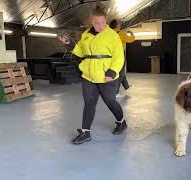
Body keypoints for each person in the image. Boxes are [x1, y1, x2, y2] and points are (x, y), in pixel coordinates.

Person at [58, 4, 127, 145]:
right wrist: (69, 44)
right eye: (96, 23)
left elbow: (119, 57)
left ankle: (121, 122)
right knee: (89, 103)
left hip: (106, 76)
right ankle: (85, 132)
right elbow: (81, 52)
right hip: (88, 75)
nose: (100, 25)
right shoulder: (86, 35)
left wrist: (112, 71)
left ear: (106, 21)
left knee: (110, 102)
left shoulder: (112, 35)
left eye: (102, 22)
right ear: (92, 21)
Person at [109, 19, 135, 97]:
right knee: (121, 72)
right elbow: (131, 39)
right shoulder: (120, 33)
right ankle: (115, 92)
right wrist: (131, 33)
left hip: (110, 54)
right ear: (116, 25)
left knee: (121, 71)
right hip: (119, 54)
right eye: (119, 23)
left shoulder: (109, 34)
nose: (120, 25)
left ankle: (126, 86)